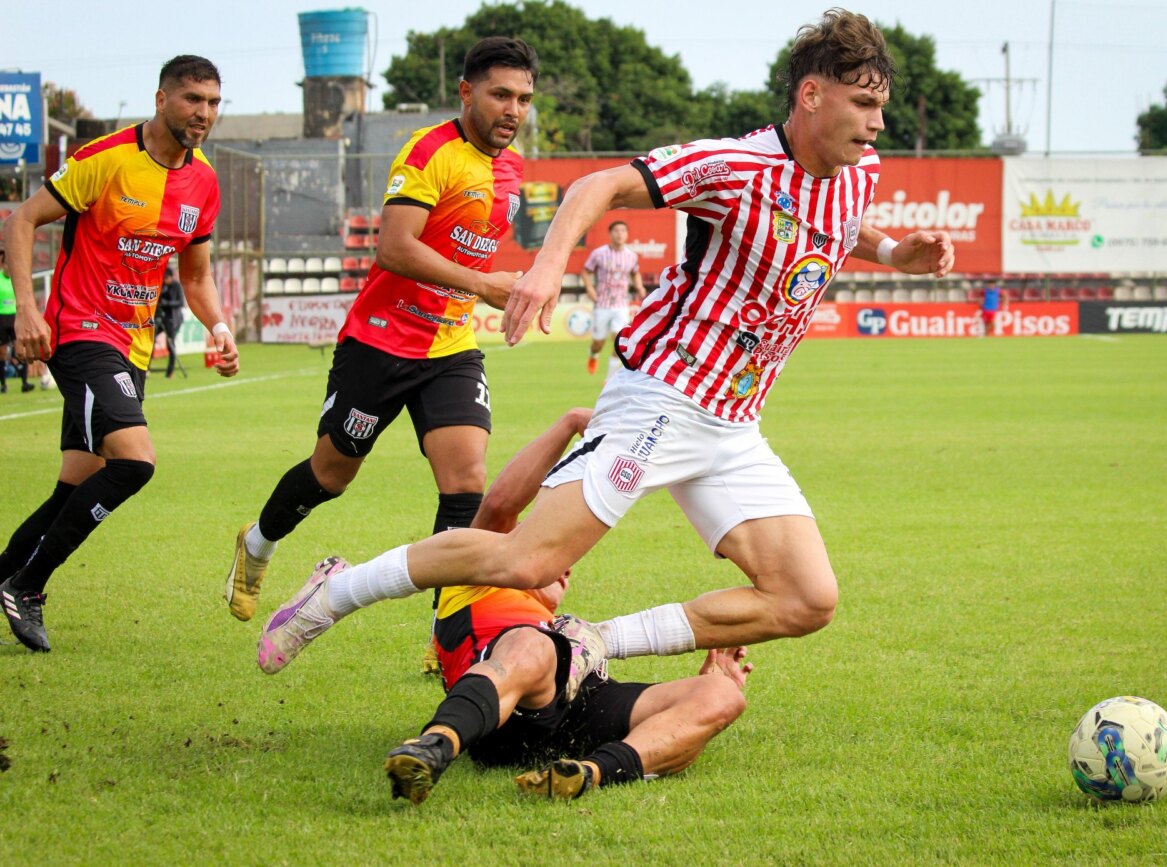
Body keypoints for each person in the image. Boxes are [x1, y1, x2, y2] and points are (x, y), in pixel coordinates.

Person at [256, 10, 954, 677]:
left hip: (733, 424)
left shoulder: (857, 171)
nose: (878, 122)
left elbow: (833, 219)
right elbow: (599, 184)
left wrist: (894, 252)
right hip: (663, 395)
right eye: (864, 103)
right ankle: (336, 591)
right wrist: (548, 267)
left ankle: (593, 639)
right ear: (811, 94)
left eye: (881, 106)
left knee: (807, 597)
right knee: (526, 561)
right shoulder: (735, 165)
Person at [223, 36, 537, 623]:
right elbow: (394, 248)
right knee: (331, 474)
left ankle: (448, 632)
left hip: (450, 348)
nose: (513, 110)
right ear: (466, 92)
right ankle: (257, 545)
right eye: (500, 95)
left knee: (467, 479)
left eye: (523, 98)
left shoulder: (512, 168)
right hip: (380, 342)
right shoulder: (429, 152)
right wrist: (483, 283)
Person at [366, 407, 751, 803]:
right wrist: (568, 424)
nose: (565, 567)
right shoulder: (477, 579)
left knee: (722, 696)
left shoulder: (550, 623)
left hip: (574, 707)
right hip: (505, 716)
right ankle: (434, 746)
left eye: (568, 568)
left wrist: (711, 682)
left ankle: (587, 773)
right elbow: (499, 507)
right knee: (535, 645)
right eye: (554, 556)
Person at [0, 55, 237, 653]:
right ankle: (27, 587)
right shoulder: (105, 159)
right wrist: (28, 310)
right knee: (134, 464)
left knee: (76, 484)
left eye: (212, 102)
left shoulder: (203, 180)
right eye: (192, 100)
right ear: (161, 100)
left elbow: (198, 274)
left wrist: (219, 326)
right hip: (80, 330)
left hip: (131, 343)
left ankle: (4, 577)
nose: (203, 113)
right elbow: (22, 220)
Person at [581, 220, 644, 375]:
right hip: (602, 304)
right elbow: (585, 271)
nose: (620, 234)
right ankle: (593, 355)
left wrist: (639, 286)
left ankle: (609, 378)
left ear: (627, 234)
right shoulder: (599, 253)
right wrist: (589, 288)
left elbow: (635, 273)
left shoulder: (631, 256)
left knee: (619, 340)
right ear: (610, 234)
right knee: (598, 343)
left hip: (621, 305)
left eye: (623, 231)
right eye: (616, 231)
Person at [0, 245, 35, 394]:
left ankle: (25, 383)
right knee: (2, 353)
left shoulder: (18, 281)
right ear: (4, 264)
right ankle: (4, 385)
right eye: (7, 264)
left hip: (15, 318)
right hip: (1, 319)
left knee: (22, 350)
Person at [154, 265, 185, 377]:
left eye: (167, 278)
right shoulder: (160, 285)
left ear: (171, 277)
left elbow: (181, 302)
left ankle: (170, 372)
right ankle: (146, 370)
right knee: (150, 340)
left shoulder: (176, 286)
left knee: (170, 344)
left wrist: (168, 303)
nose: (165, 280)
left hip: (172, 318)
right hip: (159, 317)